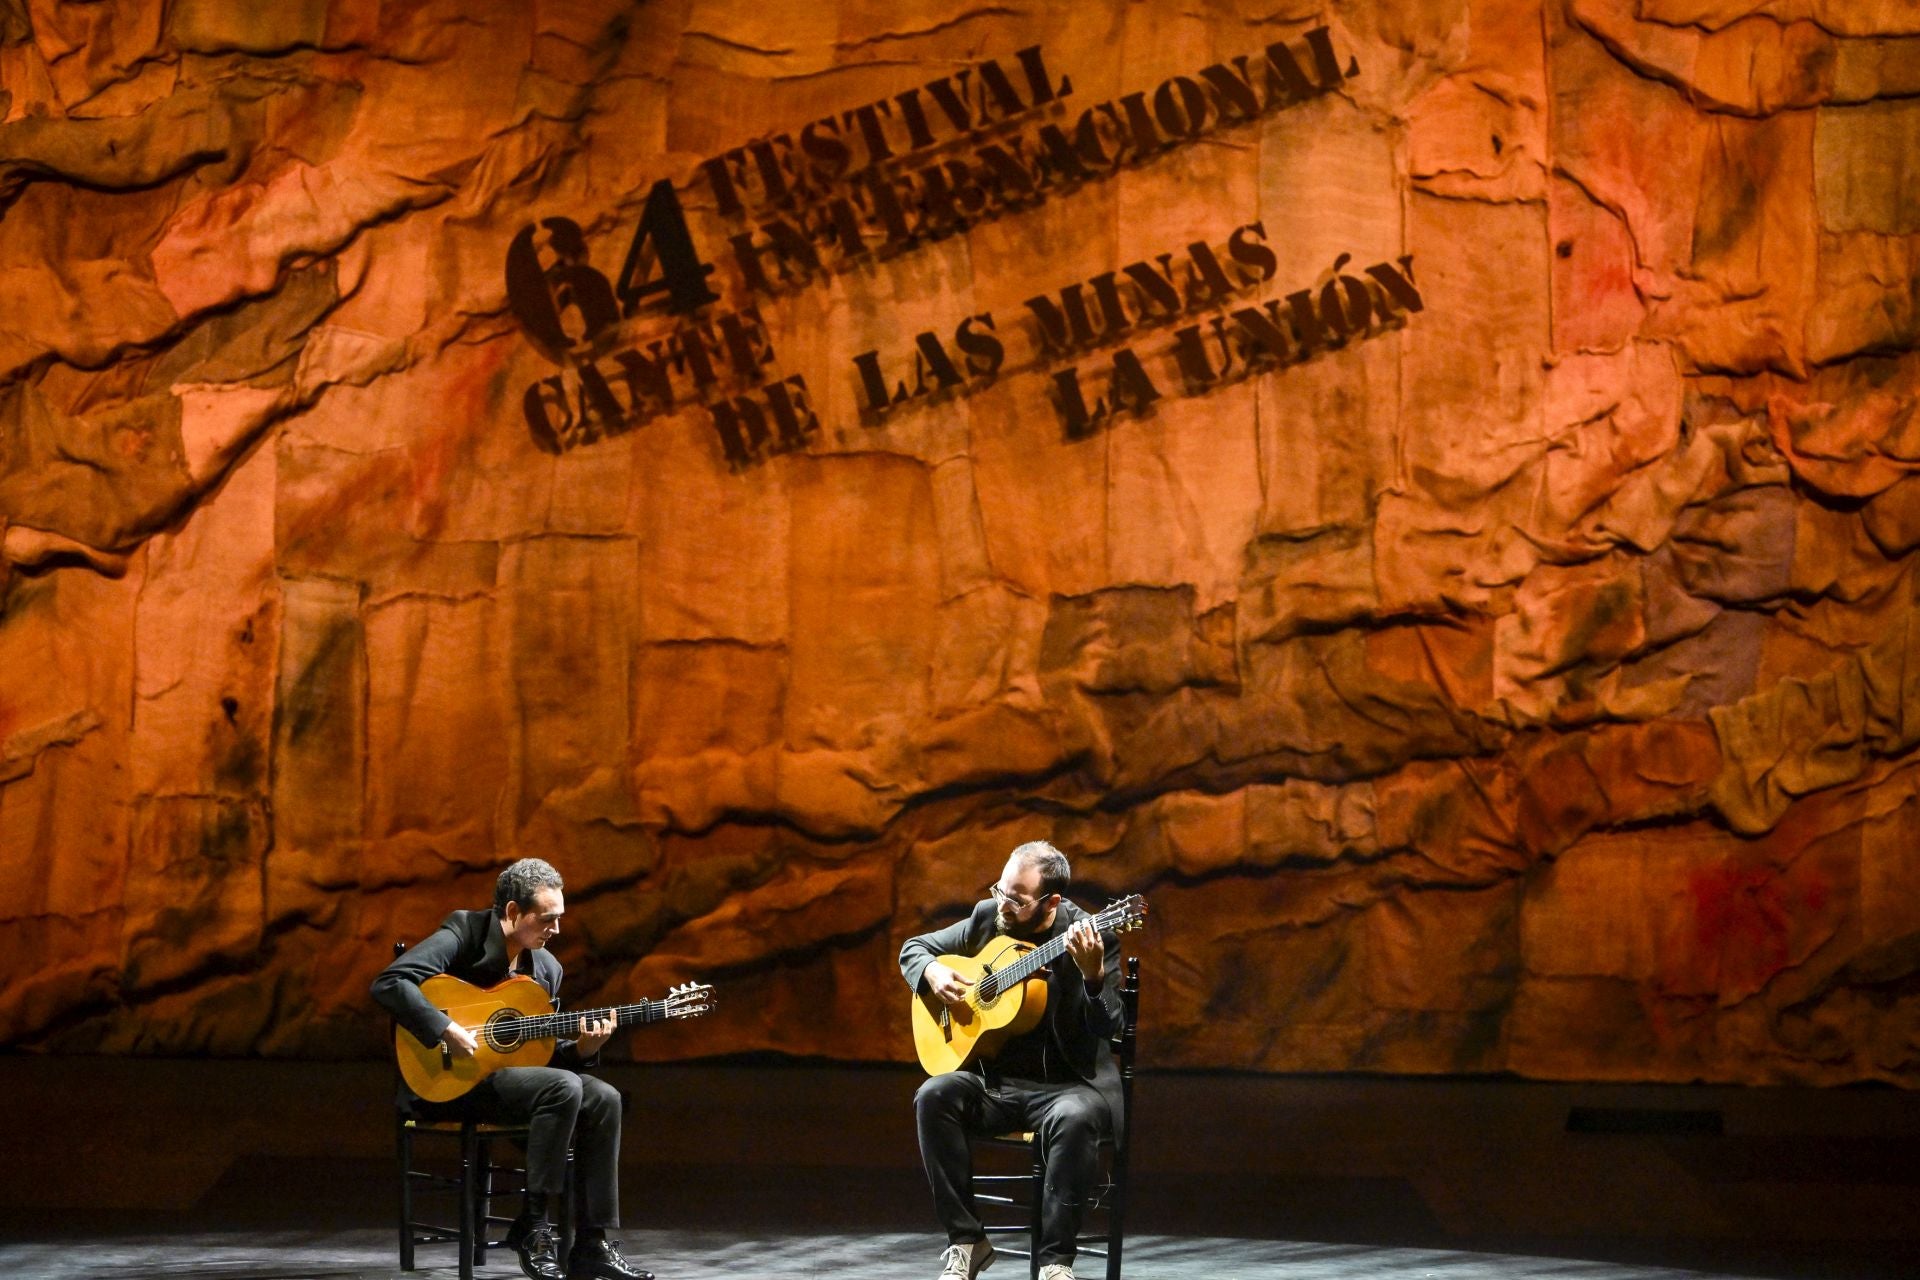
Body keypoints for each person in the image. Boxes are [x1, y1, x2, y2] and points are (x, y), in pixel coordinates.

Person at [372, 857, 649, 1280]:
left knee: (603, 1096)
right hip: (450, 1082)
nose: (556, 930)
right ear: (514, 912)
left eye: (560, 919)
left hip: (508, 1084)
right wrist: (445, 1028)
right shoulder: (465, 932)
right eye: (547, 919)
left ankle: (593, 1243)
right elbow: (390, 983)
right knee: (564, 1089)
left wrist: (582, 1049)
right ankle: (533, 1225)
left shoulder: (547, 969)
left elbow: (542, 1056)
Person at [900, 840, 1125, 1280]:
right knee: (934, 1096)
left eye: (1016, 899)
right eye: (1000, 890)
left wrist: (1094, 977)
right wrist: (932, 972)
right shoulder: (989, 917)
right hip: (996, 1083)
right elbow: (914, 948)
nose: (1002, 903)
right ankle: (967, 1241)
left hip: (1068, 1087)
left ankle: (1056, 1263)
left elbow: (1109, 1025)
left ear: (1051, 901)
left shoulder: (1093, 936)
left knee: (1076, 1117)